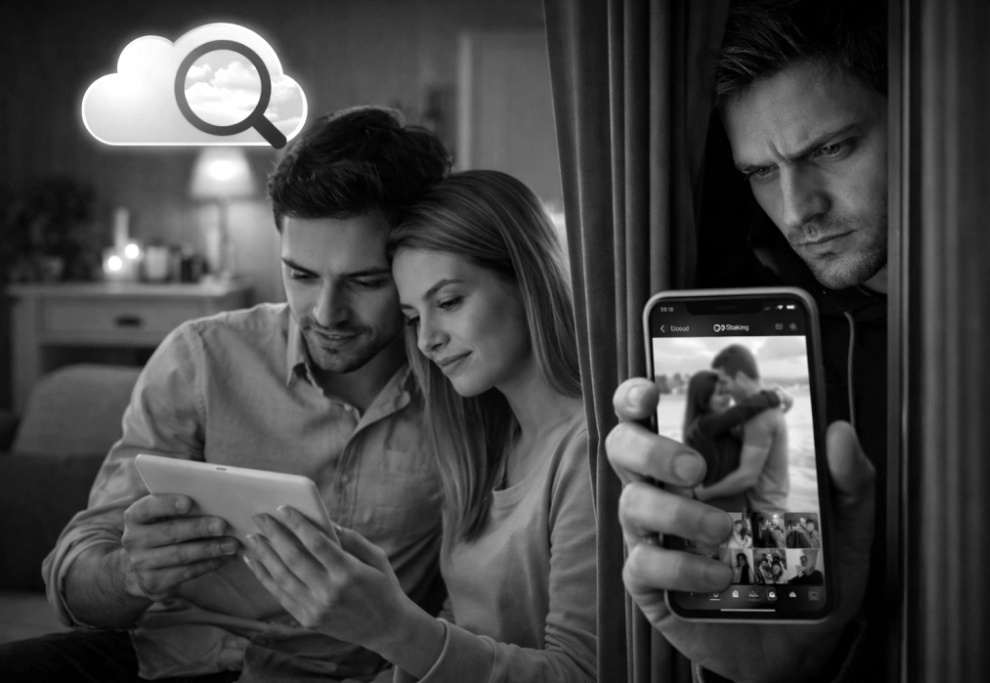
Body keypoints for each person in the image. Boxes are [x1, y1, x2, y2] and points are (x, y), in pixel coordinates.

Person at [0, 107, 451, 682]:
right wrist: (131, 575)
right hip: (169, 661)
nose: (325, 313)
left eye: (366, 281)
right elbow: (74, 580)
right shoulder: (202, 357)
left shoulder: (459, 387)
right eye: (301, 275)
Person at [606, 0, 885, 679]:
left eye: (830, 149)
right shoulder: (774, 342)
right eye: (761, 171)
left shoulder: (983, 328)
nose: (797, 209)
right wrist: (776, 670)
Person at [239, 170, 597, 682]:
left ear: (528, 280)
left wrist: (392, 626)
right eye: (412, 317)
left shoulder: (588, 453)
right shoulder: (486, 443)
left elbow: (583, 672)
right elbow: (463, 628)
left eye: (448, 302)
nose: (427, 340)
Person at [694, 345, 790, 514]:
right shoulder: (765, 408)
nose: (726, 390)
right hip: (776, 509)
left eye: (725, 382)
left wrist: (703, 494)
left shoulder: (758, 416)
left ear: (740, 378)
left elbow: (746, 478)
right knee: (805, 530)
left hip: (766, 515)